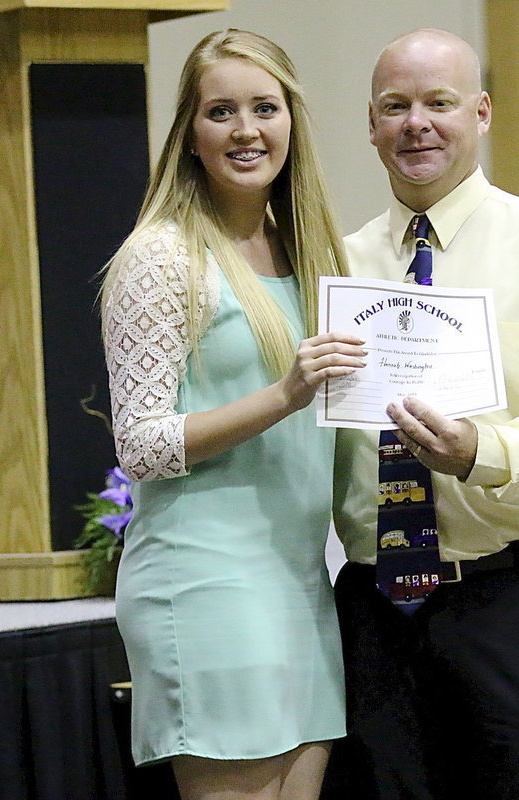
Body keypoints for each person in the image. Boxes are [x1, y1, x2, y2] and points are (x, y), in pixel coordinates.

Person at [321, 28, 519, 800]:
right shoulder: (338, 264)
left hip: (514, 597)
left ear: (482, 113)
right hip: (376, 605)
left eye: (439, 103)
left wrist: (480, 454)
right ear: (369, 124)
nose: (415, 123)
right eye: (395, 106)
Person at [101, 29, 366, 800]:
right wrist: (283, 395)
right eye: (221, 111)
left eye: (264, 107)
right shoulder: (161, 255)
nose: (246, 130)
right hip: (206, 585)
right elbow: (141, 445)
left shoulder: (305, 251)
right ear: (189, 131)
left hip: (297, 582)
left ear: (292, 121)